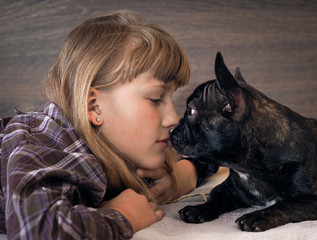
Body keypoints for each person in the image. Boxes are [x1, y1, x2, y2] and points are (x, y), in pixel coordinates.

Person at [0, 10, 214, 239]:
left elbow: (210, 153)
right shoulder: (48, 143)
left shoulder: (118, 142)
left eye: (171, 98)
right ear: (94, 107)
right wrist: (122, 216)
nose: (173, 118)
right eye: (155, 99)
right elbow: (37, 232)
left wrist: (184, 175)